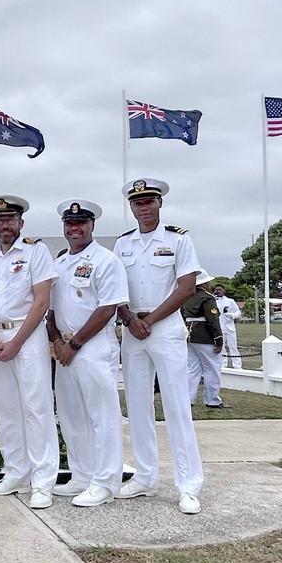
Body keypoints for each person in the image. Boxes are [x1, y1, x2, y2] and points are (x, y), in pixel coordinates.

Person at [113, 178, 203, 515]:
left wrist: (148, 321)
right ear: (132, 207)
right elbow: (114, 289)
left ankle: (188, 484)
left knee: (177, 406)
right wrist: (128, 317)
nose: (144, 207)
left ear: (159, 204)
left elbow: (186, 287)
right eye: (138, 202)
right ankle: (146, 476)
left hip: (163, 328)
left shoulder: (178, 238)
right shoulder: (123, 244)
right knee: (137, 406)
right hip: (133, 330)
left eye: (149, 201)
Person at [0, 195, 59, 509]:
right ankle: (16, 472)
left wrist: (16, 342)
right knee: (6, 408)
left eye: (10, 220)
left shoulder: (36, 251)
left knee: (36, 408)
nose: (4, 225)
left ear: (20, 223)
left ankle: (42, 482)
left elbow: (41, 302)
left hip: (27, 335)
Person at [46, 200, 128, 507]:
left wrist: (75, 344)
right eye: (69, 223)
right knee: (71, 414)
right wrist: (56, 341)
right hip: (65, 348)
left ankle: (105, 483)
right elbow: (50, 309)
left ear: (92, 225)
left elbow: (107, 308)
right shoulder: (59, 263)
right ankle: (81, 475)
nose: (74, 228)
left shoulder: (106, 261)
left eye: (80, 223)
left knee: (102, 415)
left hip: (92, 347)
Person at [183, 270, 226, 409]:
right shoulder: (207, 298)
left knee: (192, 369)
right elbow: (212, 320)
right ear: (204, 283)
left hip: (189, 334)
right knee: (212, 368)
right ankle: (212, 400)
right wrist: (218, 340)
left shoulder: (187, 296)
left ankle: (188, 399)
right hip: (204, 336)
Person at [214, 284, 242, 369]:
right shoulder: (214, 301)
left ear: (223, 290)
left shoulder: (230, 301)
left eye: (220, 289)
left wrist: (230, 315)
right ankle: (223, 364)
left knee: (233, 346)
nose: (218, 291)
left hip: (229, 327)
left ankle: (237, 365)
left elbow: (238, 313)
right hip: (220, 327)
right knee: (221, 347)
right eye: (216, 290)